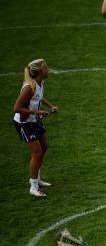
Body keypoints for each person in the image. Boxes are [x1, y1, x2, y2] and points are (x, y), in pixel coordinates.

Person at [12, 59, 58, 198]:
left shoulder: (40, 83)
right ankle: (33, 186)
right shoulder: (29, 87)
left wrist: (50, 106)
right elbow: (17, 108)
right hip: (25, 123)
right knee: (37, 153)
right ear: (39, 72)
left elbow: (39, 98)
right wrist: (38, 112)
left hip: (34, 121)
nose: (48, 70)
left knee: (44, 147)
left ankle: (37, 179)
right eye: (45, 68)